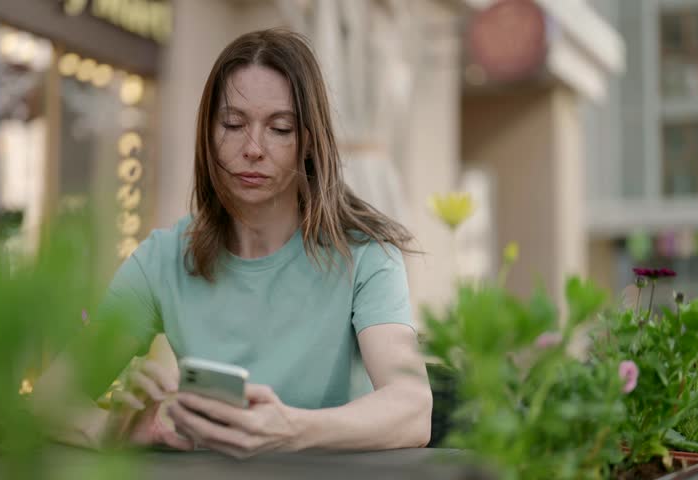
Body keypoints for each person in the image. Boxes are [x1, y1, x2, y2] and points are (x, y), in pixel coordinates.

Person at [32, 28, 432, 458]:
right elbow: (48, 402)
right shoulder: (163, 260)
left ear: (309, 142)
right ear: (208, 133)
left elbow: (411, 409)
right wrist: (118, 427)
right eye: (233, 124)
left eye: (280, 128)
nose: (253, 148)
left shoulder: (365, 254)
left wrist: (291, 429)